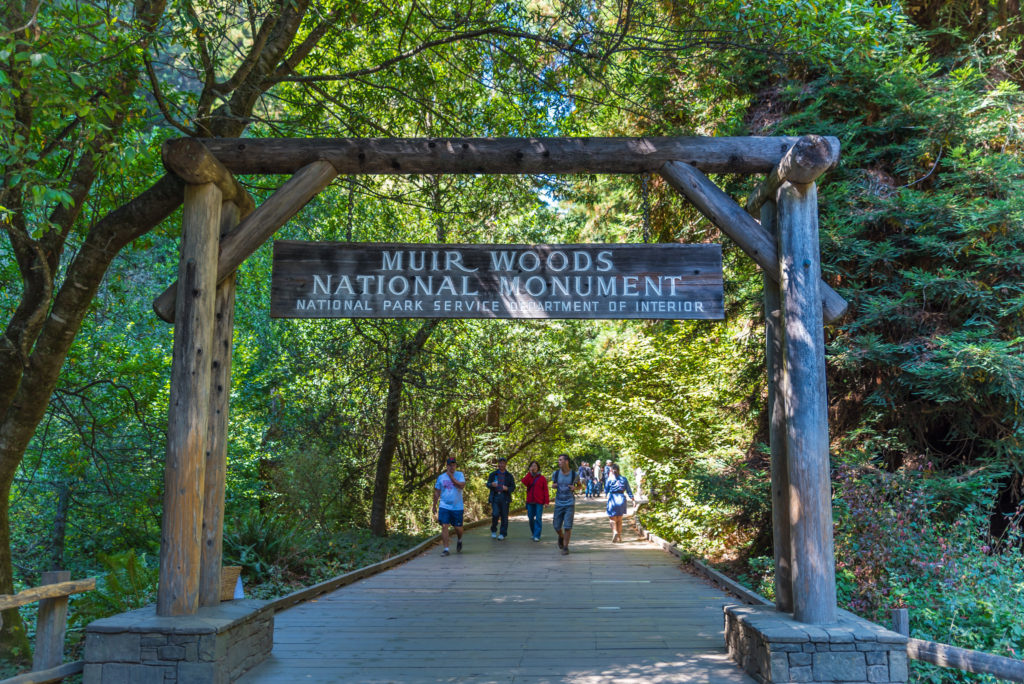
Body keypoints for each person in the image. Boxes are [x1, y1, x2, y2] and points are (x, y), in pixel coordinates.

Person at [432, 457, 466, 556]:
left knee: (458, 528)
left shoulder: (460, 475)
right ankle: (446, 549)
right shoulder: (441, 477)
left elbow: (462, 485)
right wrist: (434, 505)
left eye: (454, 465)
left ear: (455, 466)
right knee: (444, 526)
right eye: (450, 465)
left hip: (457, 506)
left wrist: (451, 477)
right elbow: (437, 492)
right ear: (447, 466)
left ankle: (459, 539)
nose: (452, 467)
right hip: (444, 506)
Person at [550, 453, 579, 555]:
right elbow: (552, 485)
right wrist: (555, 485)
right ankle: (561, 536)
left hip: (569, 503)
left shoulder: (574, 474)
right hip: (558, 503)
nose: (559, 462)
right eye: (558, 460)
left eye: (561, 460)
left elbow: (579, 486)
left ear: (566, 461)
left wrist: (575, 488)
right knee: (556, 525)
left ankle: (565, 547)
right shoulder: (556, 474)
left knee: (568, 526)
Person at [604, 463, 635, 543]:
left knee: (612, 518)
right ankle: (619, 537)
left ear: (611, 470)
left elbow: (606, 490)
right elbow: (628, 490)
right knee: (619, 519)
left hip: (613, 499)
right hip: (621, 498)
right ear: (619, 470)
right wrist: (633, 499)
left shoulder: (609, 479)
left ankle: (615, 532)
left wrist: (606, 495)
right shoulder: (624, 479)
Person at [487, 457, 516, 539]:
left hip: (505, 497)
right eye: (500, 463)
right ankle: (493, 530)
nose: (501, 465)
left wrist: (507, 488)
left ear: (505, 464)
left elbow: (513, 487)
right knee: (495, 514)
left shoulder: (509, 475)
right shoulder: (493, 474)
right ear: (498, 464)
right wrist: (491, 484)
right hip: (495, 496)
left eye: (503, 463)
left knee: (504, 516)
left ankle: (502, 533)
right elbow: (488, 484)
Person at [521, 460, 549, 541]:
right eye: (532, 466)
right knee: (530, 518)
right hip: (530, 501)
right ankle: (533, 532)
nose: (534, 467)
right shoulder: (529, 477)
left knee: (538, 518)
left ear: (538, 468)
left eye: (535, 466)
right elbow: (524, 482)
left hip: (539, 502)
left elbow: (545, 490)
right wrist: (529, 473)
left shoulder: (542, 478)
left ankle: (537, 535)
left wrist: (546, 502)